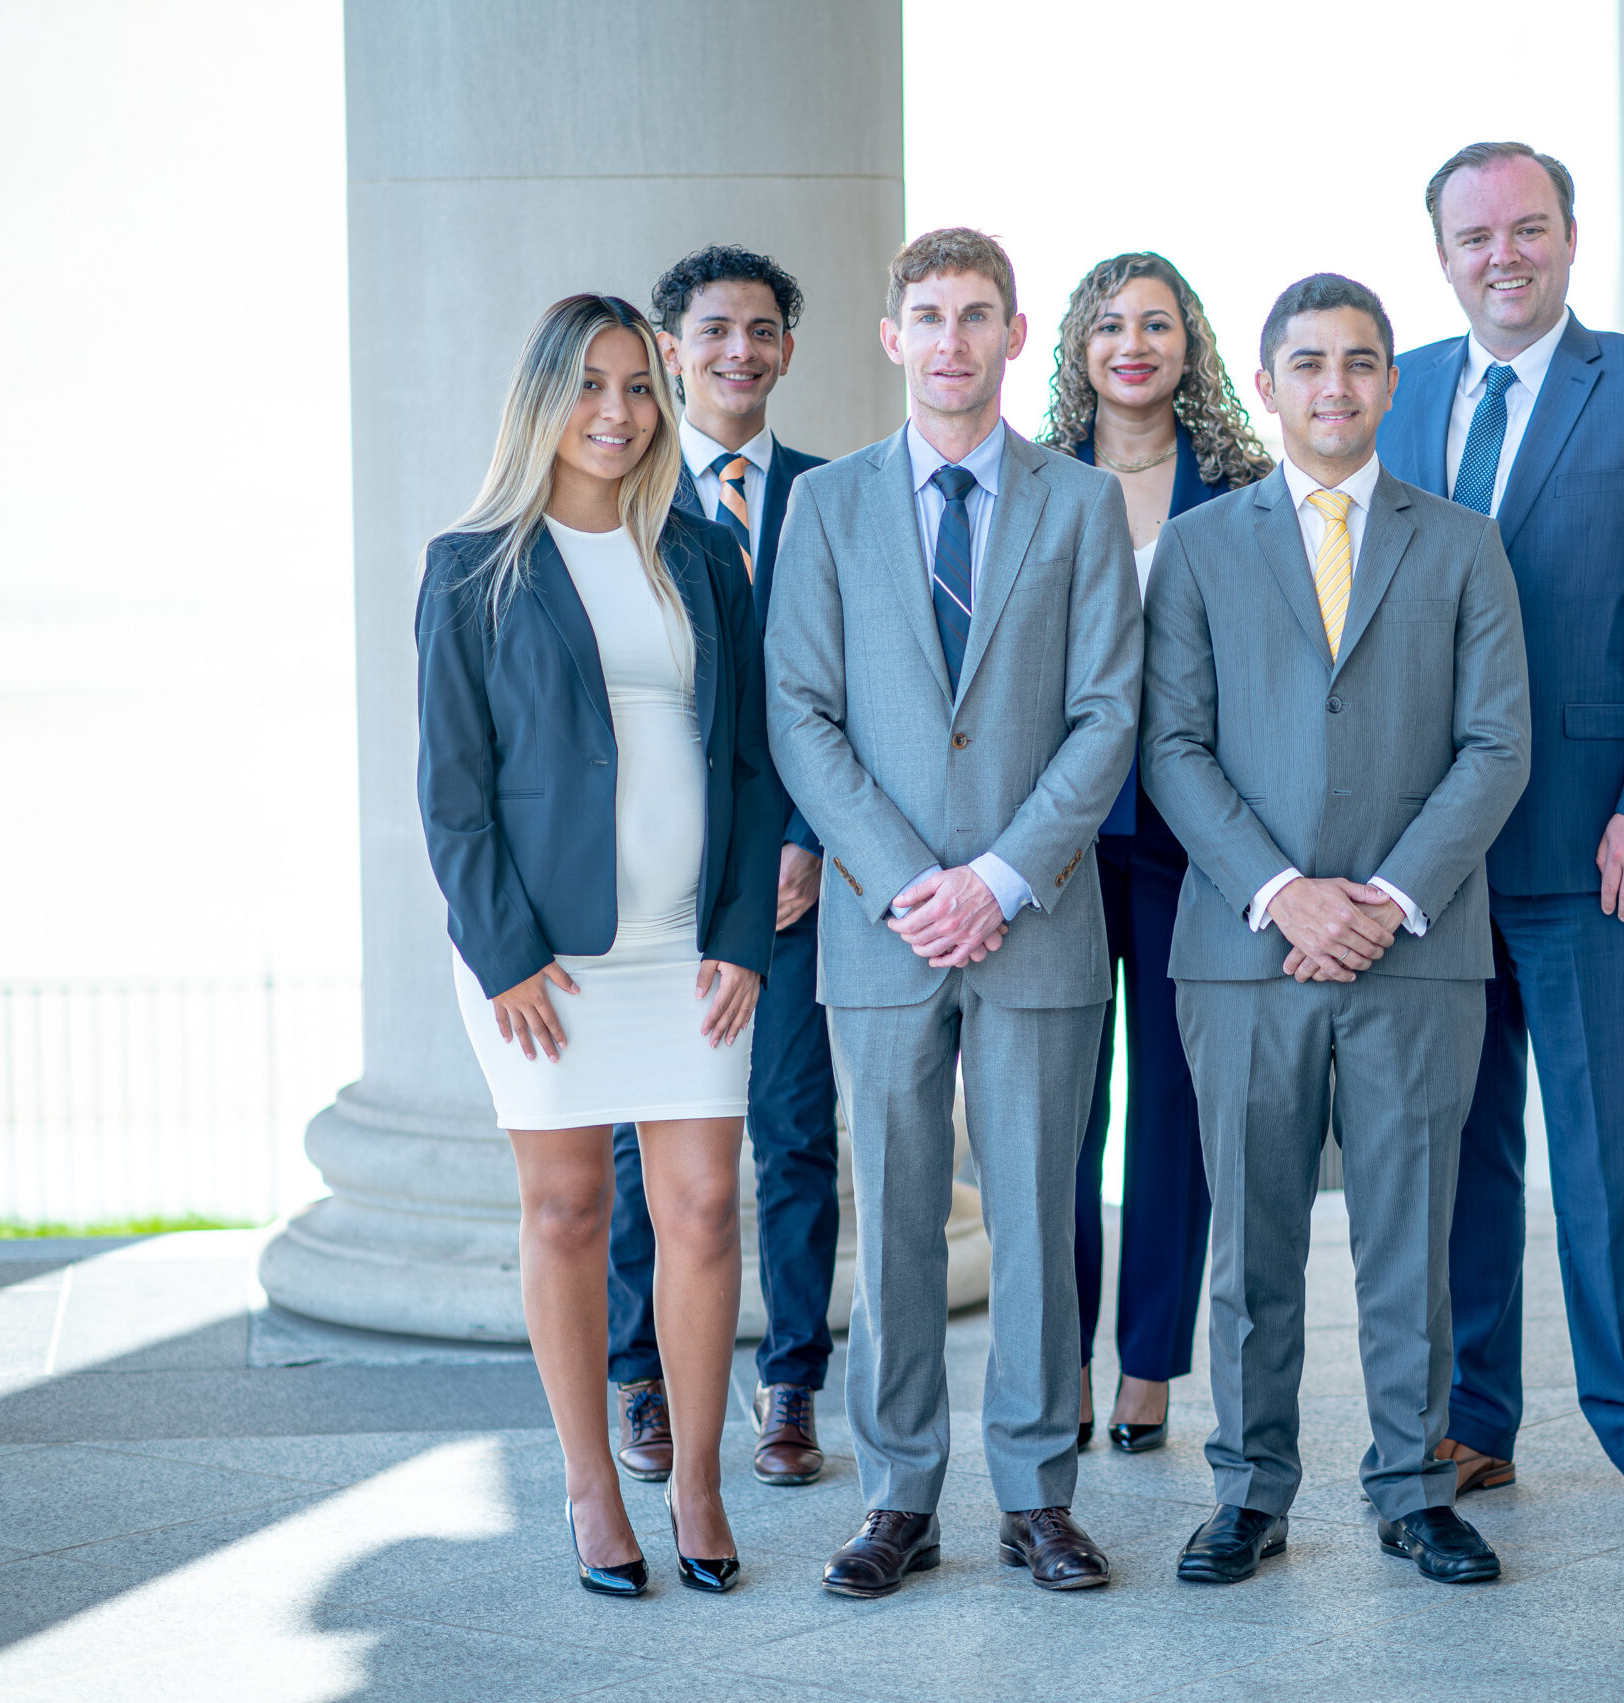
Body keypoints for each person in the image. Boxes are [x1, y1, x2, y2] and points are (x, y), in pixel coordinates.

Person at [1374, 142, 1624, 1538]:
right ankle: (1479, 1418)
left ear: (1572, 237)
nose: (1502, 254)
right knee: (1458, 1153)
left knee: (1614, 1152)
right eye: (1475, 235)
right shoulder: (1396, 389)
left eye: (1527, 228)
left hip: (1603, 853)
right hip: (1433, 864)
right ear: (1443, 254)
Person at [765, 228, 1142, 1598]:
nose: (951, 340)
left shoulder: (1080, 504)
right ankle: (898, 1496)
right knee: (899, 1210)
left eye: (976, 315)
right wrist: (903, 876)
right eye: (927, 314)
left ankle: (1039, 1495)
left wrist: (999, 876)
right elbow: (799, 711)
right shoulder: (829, 509)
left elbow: (1109, 710)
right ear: (890, 334)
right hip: (881, 925)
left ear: (1014, 333)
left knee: (1040, 1214)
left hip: (1037, 917)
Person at [1143, 274, 1531, 1587]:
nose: (1335, 385)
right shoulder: (1199, 547)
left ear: (1391, 383)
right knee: (1249, 1236)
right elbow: (1173, 744)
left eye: (1360, 362)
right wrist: (1284, 891)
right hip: (1243, 949)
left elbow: (1496, 744)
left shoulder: (1463, 543)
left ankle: (1417, 1487)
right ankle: (1250, 1490)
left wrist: (1384, 898)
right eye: (1307, 363)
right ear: (1266, 383)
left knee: (1406, 1232)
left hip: (1418, 946)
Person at [418, 293, 782, 1596]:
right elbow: (453, 787)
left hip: (687, 949)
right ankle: (588, 1483)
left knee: (698, 1208)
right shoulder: (473, 565)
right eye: (591, 386)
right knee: (569, 1208)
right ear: (542, 402)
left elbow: (747, 756)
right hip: (546, 957)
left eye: (640, 386)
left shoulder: (698, 555)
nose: (620, 412)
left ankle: (695, 1478)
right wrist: (503, 948)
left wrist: (743, 929)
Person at [603, 246, 838, 1496]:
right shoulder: (625, 494)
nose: (738, 349)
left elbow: (844, 688)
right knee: (646, 1144)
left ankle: (789, 1381)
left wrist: (809, 839)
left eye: (762, 329)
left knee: (798, 1130)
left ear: (788, 350)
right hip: (658, 884)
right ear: (672, 346)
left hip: (798, 874)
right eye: (713, 330)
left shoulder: (834, 496)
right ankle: (638, 1377)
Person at [1038, 252, 1273, 1453]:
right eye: (1110, 323)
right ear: (1078, 345)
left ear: (1192, 347)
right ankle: (1064, 1359)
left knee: (1177, 1110)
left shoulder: (1241, 487)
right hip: (1064, 844)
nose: (1133, 342)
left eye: (1159, 324)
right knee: (1066, 1109)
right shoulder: (1034, 484)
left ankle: (1148, 1366)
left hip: (1197, 842)